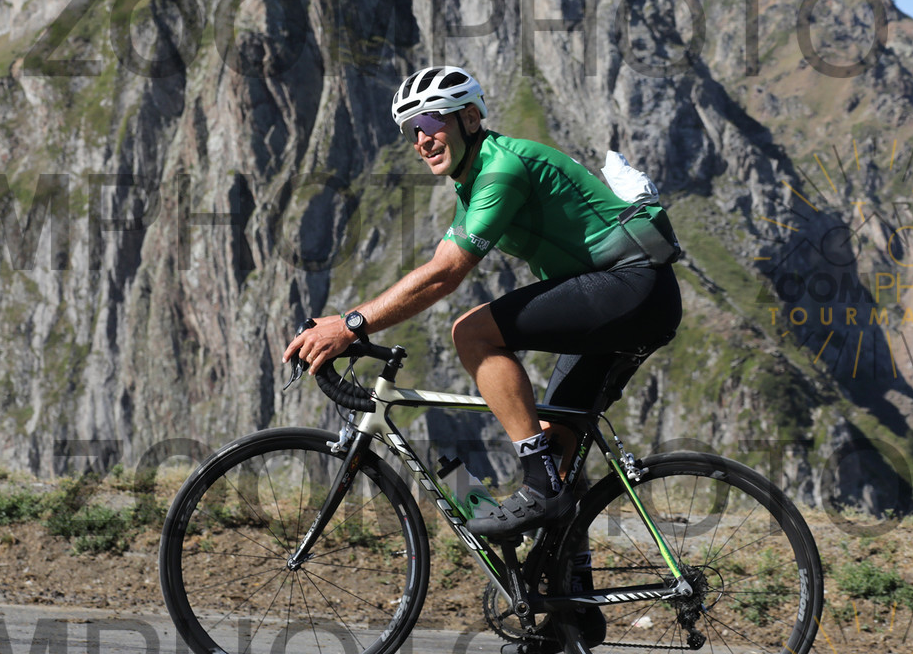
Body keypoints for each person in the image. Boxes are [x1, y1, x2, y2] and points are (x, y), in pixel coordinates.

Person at [282, 65, 683, 538]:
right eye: (411, 132)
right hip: (630, 297)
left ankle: (539, 486)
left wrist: (351, 325)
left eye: (430, 123)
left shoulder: (501, 170)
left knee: (472, 334)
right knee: (556, 449)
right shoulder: (470, 182)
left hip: (631, 286)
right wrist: (352, 321)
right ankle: (570, 582)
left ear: (470, 118)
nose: (421, 140)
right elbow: (437, 263)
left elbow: (445, 274)